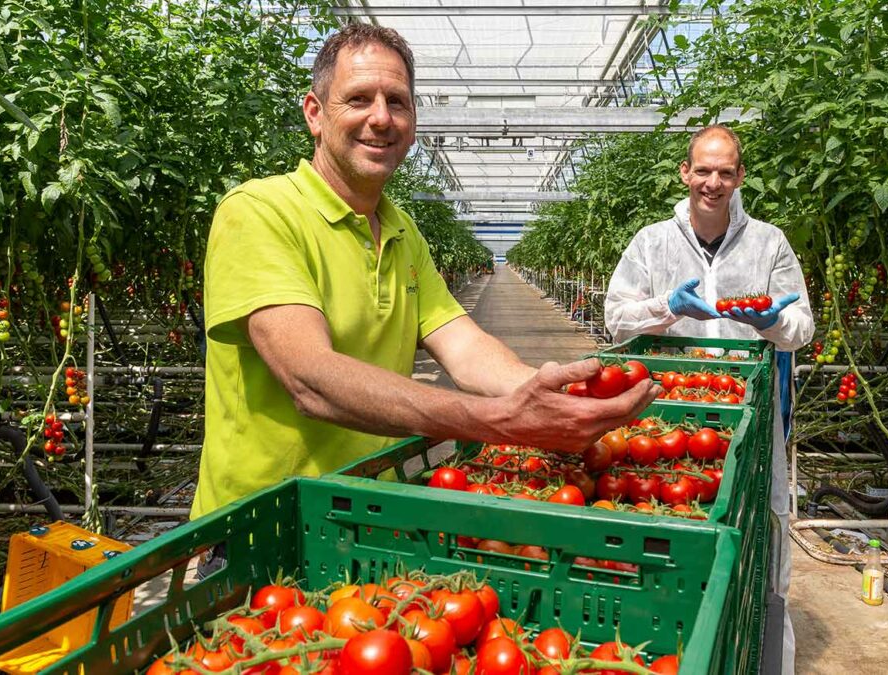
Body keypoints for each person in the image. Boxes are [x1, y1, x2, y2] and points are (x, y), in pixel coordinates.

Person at [191, 24, 657, 527]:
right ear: (315, 114)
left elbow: (461, 343)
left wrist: (549, 392)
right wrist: (500, 420)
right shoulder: (259, 212)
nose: (381, 118)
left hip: (373, 512)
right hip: (264, 528)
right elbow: (310, 379)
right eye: (358, 99)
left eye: (398, 101)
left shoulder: (401, 229)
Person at [604, 125, 814, 674]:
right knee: (670, 523)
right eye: (703, 170)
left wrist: (773, 322)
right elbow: (615, 319)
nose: (713, 183)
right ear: (685, 172)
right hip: (667, 418)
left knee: (758, 538)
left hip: (747, 413)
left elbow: (802, 326)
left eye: (725, 172)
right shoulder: (652, 242)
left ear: (740, 176)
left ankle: (762, 660)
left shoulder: (769, 242)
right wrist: (665, 308)